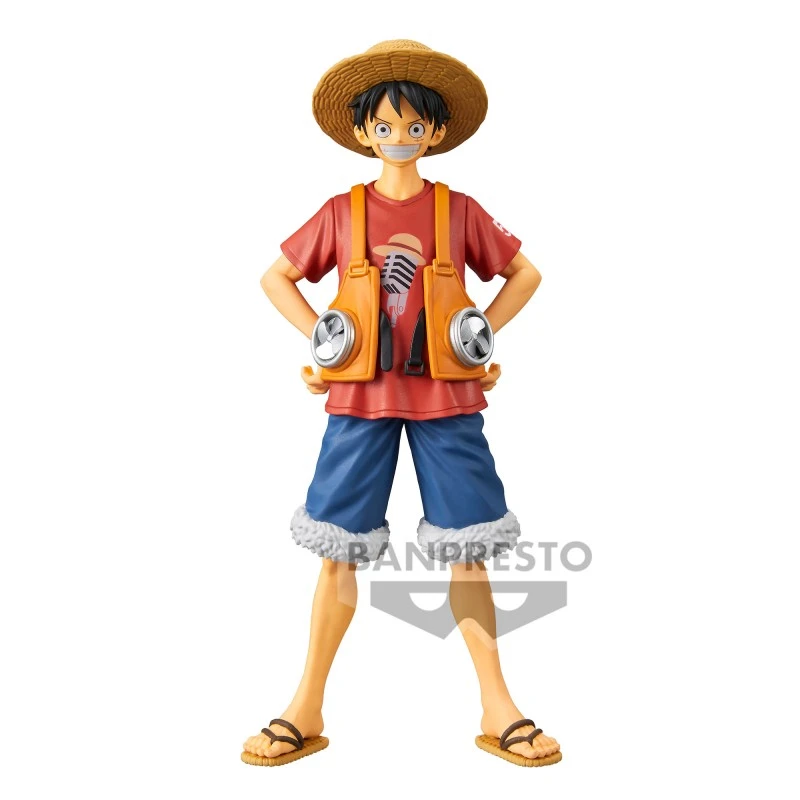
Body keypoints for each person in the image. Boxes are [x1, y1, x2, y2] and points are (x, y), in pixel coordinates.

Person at [242, 40, 561, 768]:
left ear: (436, 132)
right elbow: (276, 278)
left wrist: (478, 337)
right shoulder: (341, 212)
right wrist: (322, 343)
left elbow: (524, 273)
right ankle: (306, 704)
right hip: (359, 399)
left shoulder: (460, 211)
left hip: (448, 398)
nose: (399, 137)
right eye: (384, 126)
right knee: (337, 552)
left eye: (414, 125)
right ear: (362, 132)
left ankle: (497, 704)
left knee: (469, 548)